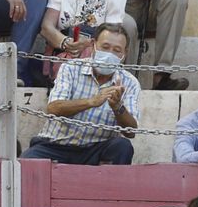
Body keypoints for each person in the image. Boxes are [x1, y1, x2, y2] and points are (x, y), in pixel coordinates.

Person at [23, 24, 139, 164]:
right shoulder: (71, 68)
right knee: (27, 161)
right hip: (56, 146)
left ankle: (109, 185)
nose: (110, 54)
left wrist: (118, 107)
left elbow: (130, 132)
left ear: (124, 54)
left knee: (122, 147)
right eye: (105, 47)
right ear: (93, 44)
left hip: (95, 150)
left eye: (117, 50)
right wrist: (91, 102)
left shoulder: (130, 82)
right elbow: (53, 108)